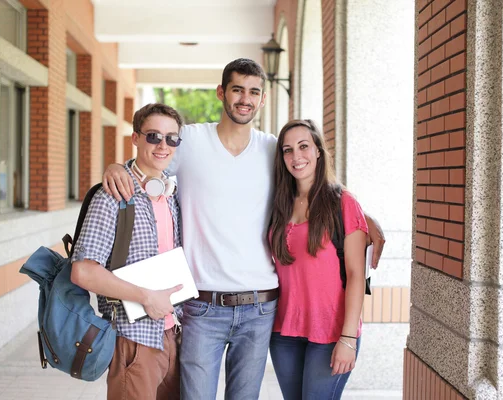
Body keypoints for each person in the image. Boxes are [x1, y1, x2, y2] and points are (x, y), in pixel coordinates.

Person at [102, 58, 386, 399]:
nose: (245, 99)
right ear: (222, 92)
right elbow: (150, 159)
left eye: (254, 92)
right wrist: (119, 165)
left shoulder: (272, 149)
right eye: (237, 89)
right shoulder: (190, 140)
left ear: (263, 99)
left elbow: (313, 184)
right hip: (202, 306)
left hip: (261, 308)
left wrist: (365, 216)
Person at [71, 103, 185, 400]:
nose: (163, 145)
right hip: (133, 340)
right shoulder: (112, 196)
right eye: (153, 136)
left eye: (172, 138)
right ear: (135, 138)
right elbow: (83, 271)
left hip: (172, 335)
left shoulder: (171, 195)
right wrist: (147, 298)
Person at [268, 119, 367, 399]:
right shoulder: (279, 203)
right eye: (288, 150)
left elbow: (356, 274)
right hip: (284, 332)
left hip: (332, 332)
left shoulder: (343, 202)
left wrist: (348, 338)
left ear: (319, 151)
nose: (296, 157)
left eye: (304, 147)